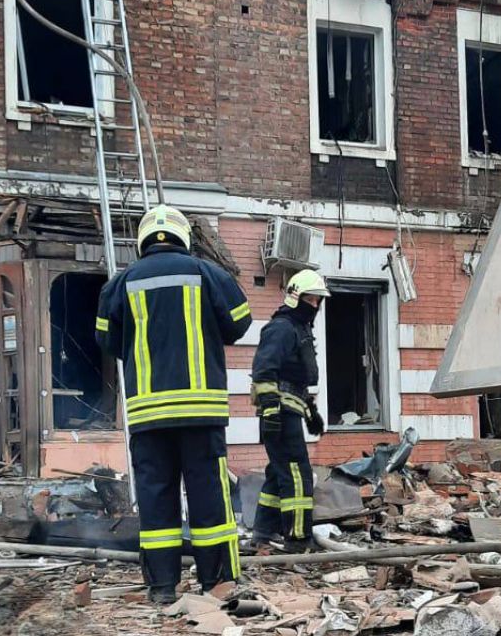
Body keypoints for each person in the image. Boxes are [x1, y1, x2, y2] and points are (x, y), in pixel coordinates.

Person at [94, 205, 253, 605]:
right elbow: (240, 321)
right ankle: (215, 582)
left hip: (148, 415)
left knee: (155, 497)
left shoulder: (119, 284)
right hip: (201, 411)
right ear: (183, 236)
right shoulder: (207, 274)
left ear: (144, 239)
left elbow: (107, 342)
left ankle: (162, 587)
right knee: (208, 496)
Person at [252, 269, 328, 553]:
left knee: (279, 473)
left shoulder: (299, 329)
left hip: (287, 413)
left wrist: (311, 412)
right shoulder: (282, 328)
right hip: (279, 416)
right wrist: (271, 412)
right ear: (296, 297)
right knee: (298, 474)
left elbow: (294, 380)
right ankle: (297, 539)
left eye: (319, 300)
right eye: (311, 299)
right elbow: (263, 371)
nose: (316, 305)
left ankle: (263, 532)